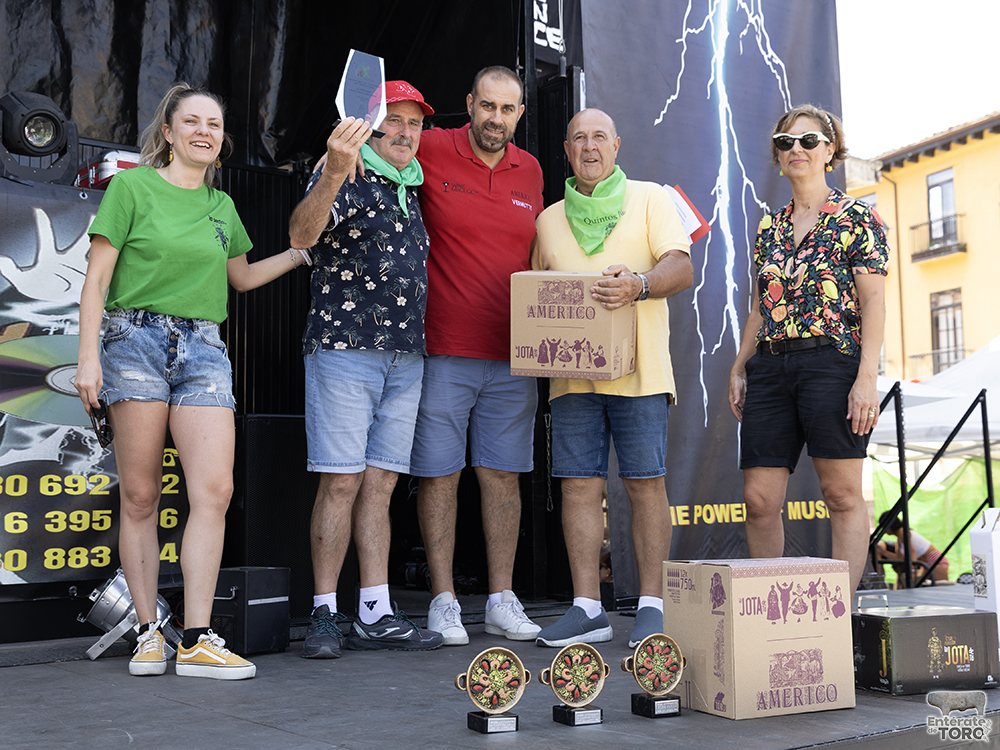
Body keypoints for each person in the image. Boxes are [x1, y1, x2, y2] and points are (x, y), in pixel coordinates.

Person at [75, 83, 313, 679]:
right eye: (193, 121)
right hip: (134, 342)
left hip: (204, 347)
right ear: (170, 132)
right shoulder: (132, 187)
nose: (205, 131)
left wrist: (298, 254)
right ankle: (150, 632)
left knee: (215, 491)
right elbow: (97, 280)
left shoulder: (221, 205)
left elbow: (241, 279)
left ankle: (199, 637)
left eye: (214, 122)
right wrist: (87, 359)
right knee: (141, 496)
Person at [288, 81, 443, 657]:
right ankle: (325, 612)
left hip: (406, 356)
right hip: (346, 349)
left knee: (379, 487)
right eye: (393, 122)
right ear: (369, 127)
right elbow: (300, 235)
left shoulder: (412, 187)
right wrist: (331, 170)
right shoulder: (345, 171)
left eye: (414, 124)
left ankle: (374, 610)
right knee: (341, 481)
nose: (405, 133)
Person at [531, 108, 693, 648]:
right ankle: (587, 608)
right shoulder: (548, 219)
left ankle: (652, 605)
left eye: (600, 136)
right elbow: (535, 289)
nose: (590, 146)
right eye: (579, 138)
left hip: (641, 371)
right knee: (578, 486)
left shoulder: (651, 198)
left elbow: (681, 266)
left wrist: (641, 284)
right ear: (567, 150)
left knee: (645, 484)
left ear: (617, 144)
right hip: (570, 376)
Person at [408, 66, 545, 645]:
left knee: (502, 477)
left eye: (506, 109)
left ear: (519, 114)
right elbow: (373, 153)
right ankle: (443, 600)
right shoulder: (432, 145)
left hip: (514, 354)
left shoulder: (532, 169)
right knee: (439, 476)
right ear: (468, 103)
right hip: (443, 348)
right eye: (485, 106)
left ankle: (500, 599)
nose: (495, 118)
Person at [728, 104, 888, 597]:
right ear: (778, 156)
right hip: (771, 367)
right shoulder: (768, 228)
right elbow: (760, 305)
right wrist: (738, 366)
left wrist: (867, 378)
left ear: (830, 151)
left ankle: (841, 613)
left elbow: (874, 299)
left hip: (832, 364)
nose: (795, 149)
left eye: (808, 141)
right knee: (758, 499)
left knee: (841, 495)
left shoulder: (856, 216)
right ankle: (768, 612)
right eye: (785, 142)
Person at [877, 510, 950, 583]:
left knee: (939, 587)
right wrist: (883, 552)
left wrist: (912, 572)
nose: (884, 531)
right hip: (926, 564)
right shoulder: (899, 538)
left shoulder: (902, 532)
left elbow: (912, 552)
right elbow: (899, 558)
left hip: (935, 561)